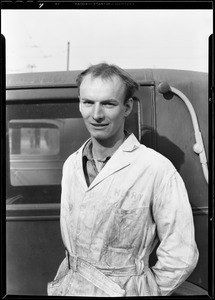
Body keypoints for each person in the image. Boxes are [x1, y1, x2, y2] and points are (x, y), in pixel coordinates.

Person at [47, 63, 199, 297]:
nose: (96, 114)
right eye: (88, 102)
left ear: (127, 107)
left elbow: (181, 253)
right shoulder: (71, 165)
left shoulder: (155, 168)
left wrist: (147, 290)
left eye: (108, 103)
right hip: (71, 287)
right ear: (79, 103)